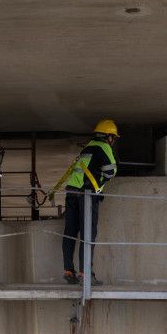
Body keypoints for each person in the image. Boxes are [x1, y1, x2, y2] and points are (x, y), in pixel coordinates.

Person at [60, 119, 119, 285]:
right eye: (113, 138)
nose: (113, 141)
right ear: (108, 137)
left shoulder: (88, 146)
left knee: (70, 231)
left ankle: (68, 270)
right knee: (88, 233)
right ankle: (85, 274)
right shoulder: (104, 147)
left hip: (72, 191)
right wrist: (100, 183)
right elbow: (111, 171)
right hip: (86, 194)